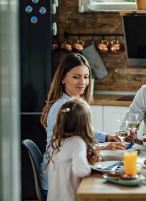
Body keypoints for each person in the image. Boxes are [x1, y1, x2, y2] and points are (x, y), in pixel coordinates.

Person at [39, 53, 126, 196]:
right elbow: (66, 148)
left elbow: (82, 132)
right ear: (62, 79)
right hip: (56, 183)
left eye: (86, 76)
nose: (83, 82)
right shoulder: (62, 108)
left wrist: (107, 137)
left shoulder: (72, 103)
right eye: (76, 76)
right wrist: (104, 146)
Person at [47, 98, 99, 201]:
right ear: (84, 124)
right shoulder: (77, 142)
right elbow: (80, 170)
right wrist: (91, 167)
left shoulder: (57, 140)